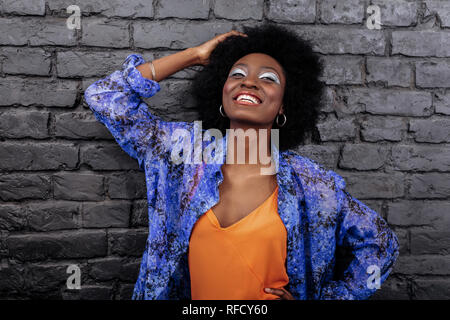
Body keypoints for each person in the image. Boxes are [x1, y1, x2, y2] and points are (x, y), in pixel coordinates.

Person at [84, 23, 399, 300]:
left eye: (267, 78)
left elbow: (382, 245)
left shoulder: (312, 185)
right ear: (221, 93)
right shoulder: (184, 154)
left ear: (283, 107)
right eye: (237, 74)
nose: (249, 82)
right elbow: (106, 97)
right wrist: (195, 55)